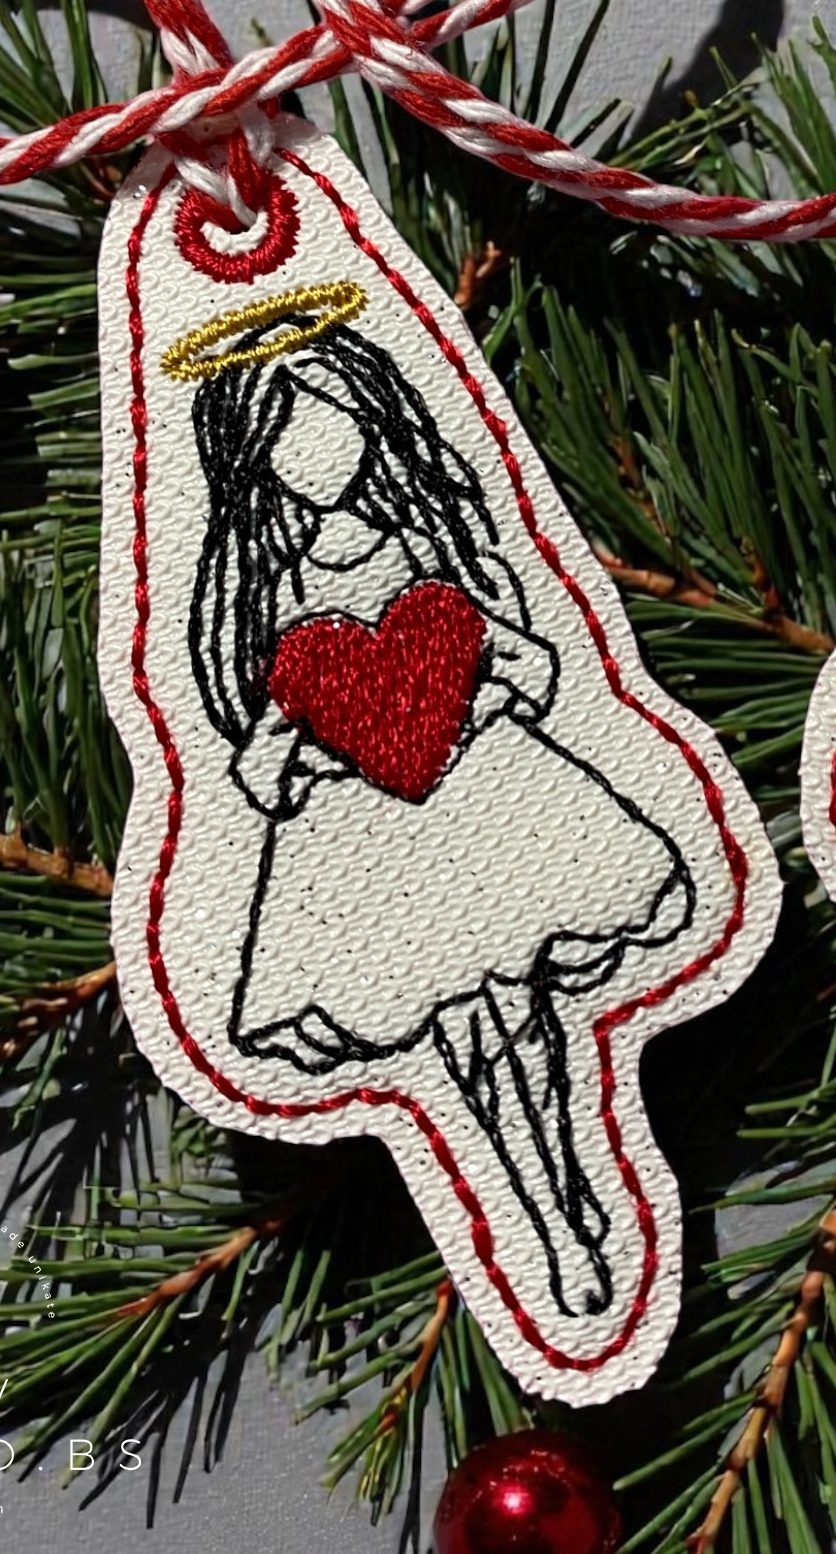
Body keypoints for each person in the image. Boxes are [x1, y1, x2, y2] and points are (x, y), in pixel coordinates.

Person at [186, 314, 695, 1319]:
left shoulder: (419, 539)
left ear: (373, 422)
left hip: (486, 800)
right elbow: (264, 746)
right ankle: (546, 1219)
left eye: (338, 422)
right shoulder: (275, 592)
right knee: (465, 1041)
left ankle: (570, 1180)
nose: (320, 450)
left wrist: (502, 678)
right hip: (363, 848)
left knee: (528, 1017)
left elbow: (506, 647)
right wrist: (286, 754)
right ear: (255, 455)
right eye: (291, 433)